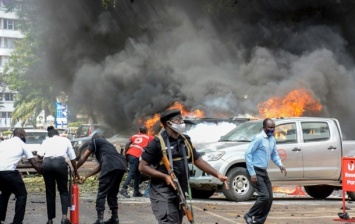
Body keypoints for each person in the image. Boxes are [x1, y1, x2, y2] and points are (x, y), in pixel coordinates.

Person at [139, 109, 228, 224]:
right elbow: (142, 167)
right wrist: (164, 177)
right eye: (177, 120)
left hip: (180, 190)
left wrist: (218, 174)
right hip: (162, 191)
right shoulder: (157, 143)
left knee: (177, 221)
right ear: (168, 123)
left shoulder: (185, 140)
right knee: (169, 221)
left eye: (181, 119)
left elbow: (198, 160)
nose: (181, 122)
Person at [76, 131, 127, 224]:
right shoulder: (109, 146)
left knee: (102, 193)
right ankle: (115, 218)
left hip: (111, 165)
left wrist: (74, 170)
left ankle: (100, 220)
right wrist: (86, 176)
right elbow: (101, 166)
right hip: (121, 166)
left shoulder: (95, 141)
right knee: (112, 193)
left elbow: (83, 157)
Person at [244, 118, 287, 224]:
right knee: (264, 196)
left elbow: (274, 154)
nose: (272, 130)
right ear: (264, 128)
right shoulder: (259, 138)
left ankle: (258, 221)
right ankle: (249, 214)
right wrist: (252, 173)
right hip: (256, 171)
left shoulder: (272, 139)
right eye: (269, 127)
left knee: (269, 198)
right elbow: (247, 154)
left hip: (263, 171)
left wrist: (280, 165)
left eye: (273, 127)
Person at [0, 128, 42, 224]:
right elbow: (34, 163)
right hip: (10, 173)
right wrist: (45, 173)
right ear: (22, 136)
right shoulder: (22, 144)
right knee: (22, 195)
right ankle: (17, 222)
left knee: (5, 193)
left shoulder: (3, 143)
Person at [39, 126, 78, 224]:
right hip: (60, 164)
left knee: (50, 192)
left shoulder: (45, 141)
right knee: (63, 191)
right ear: (57, 134)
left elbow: (39, 155)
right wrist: (76, 171)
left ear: (49, 135)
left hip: (47, 164)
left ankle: (50, 219)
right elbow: (72, 158)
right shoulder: (65, 140)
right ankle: (64, 218)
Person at [120, 126, 154, 198]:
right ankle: (124, 189)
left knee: (137, 173)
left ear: (139, 131)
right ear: (147, 131)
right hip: (136, 155)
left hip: (130, 154)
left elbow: (127, 144)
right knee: (132, 172)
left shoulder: (134, 136)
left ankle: (136, 191)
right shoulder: (149, 137)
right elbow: (152, 146)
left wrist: (125, 155)